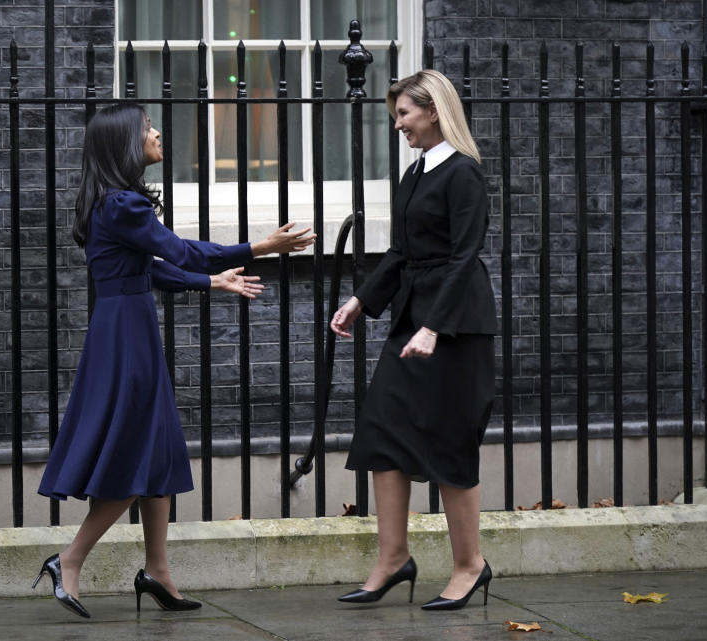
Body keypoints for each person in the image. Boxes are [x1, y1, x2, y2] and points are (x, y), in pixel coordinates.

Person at [33, 103, 315, 618]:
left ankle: (157, 571)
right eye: (146, 128)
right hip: (126, 341)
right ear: (124, 143)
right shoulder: (123, 205)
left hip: (124, 328)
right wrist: (260, 246)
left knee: (158, 452)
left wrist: (212, 280)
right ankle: (68, 560)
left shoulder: (110, 203)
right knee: (134, 456)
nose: (157, 133)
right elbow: (178, 252)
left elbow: (148, 271)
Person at [330, 70, 497, 611]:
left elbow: (463, 255)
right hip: (413, 318)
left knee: (450, 441)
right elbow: (402, 253)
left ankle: (470, 565)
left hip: (454, 325)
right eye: (396, 115)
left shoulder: (463, 173)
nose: (397, 124)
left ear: (433, 111)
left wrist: (433, 326)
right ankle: (392, 557)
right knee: (382, 430)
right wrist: (361, 300)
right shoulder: (415, 172)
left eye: (403, 113)